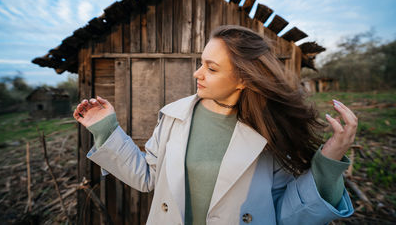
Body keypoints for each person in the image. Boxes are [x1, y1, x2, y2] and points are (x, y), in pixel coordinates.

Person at [73, 25, 356, 225]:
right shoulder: (173, 117)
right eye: (201, 63)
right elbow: (147, 177)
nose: (197, 73)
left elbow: (283, 213)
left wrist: (329, 162)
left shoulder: (269, 133)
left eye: (211, 67)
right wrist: (106, 129)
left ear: (243, 79)